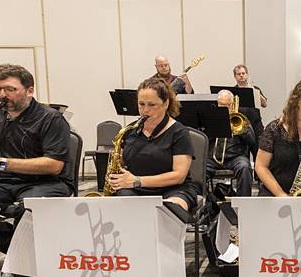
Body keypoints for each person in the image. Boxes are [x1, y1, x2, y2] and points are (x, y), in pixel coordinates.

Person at [0, 64, 72, 252]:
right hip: (7, 181)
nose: (3, 95)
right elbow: (4, 153)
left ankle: (26, 272)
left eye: (10, 89)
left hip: (47, 182)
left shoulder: (51, 119)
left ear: (30, 90)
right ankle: (8, 254)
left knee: (28, 212)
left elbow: (54, 166)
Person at [105, 78, 201, 211]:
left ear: (166, 103)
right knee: (119, 208)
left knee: (170, 210)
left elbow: (179, 176)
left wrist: (137, 180)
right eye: (141, 104)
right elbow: (121, 165)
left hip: (174, 190)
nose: (145, 110)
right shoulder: (129, 131)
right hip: (136, 189)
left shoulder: (179, 132)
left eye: (151, 105)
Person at [206, 90, 255, 197]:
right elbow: (203, 140)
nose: (224, 108)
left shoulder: (240, 118)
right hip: (213, 158)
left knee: (245, 167)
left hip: (235, 158)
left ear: (232, 104)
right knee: (198, 169)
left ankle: (244, 203)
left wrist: (241, 130)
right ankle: (205, 202)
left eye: (227, 105)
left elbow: (252, 141)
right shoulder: (210, 117)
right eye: (221, 105)